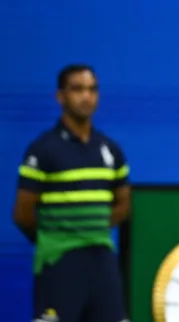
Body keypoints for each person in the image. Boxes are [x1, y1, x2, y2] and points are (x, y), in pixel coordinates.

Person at [12, 64, 131, 322]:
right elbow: (22, 213)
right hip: (59, 261)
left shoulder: (110, 150)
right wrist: (55, 238)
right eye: (77, 89)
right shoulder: (42, 150)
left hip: (102, 261)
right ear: (60, 96)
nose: (86, 96)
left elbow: (123, 204)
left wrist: (91, 229)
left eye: (92, 89)